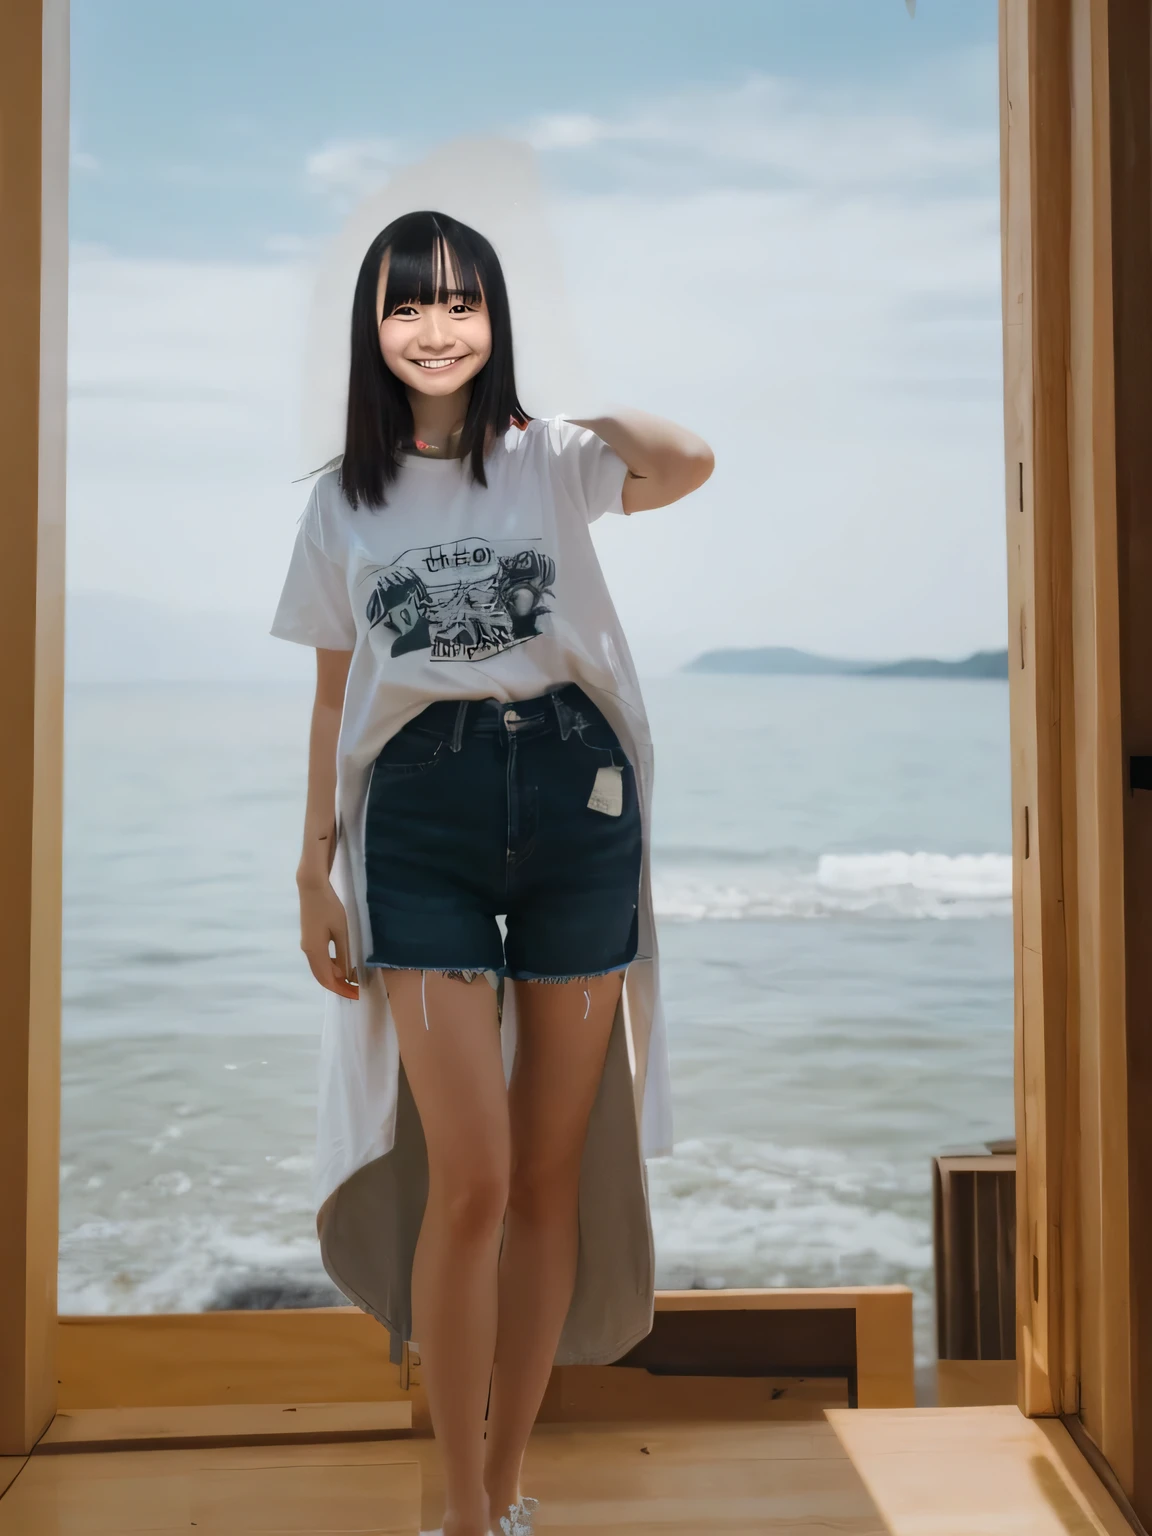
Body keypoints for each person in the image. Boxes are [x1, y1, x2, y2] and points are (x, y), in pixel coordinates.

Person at [270, 209, 713, 1536]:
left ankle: (508, 1489)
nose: (436, 327)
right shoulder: (339, 499)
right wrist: (312, 871)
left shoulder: (553, 460)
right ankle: (457, 1514)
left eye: (463, 303)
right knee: (469, 1175)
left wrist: (558, 404)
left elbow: (688, 461)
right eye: (410, 306)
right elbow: (332, 695)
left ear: (495, 319)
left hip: (577, 802)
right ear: (375, 328)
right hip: (418, 818)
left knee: (545, 1180)